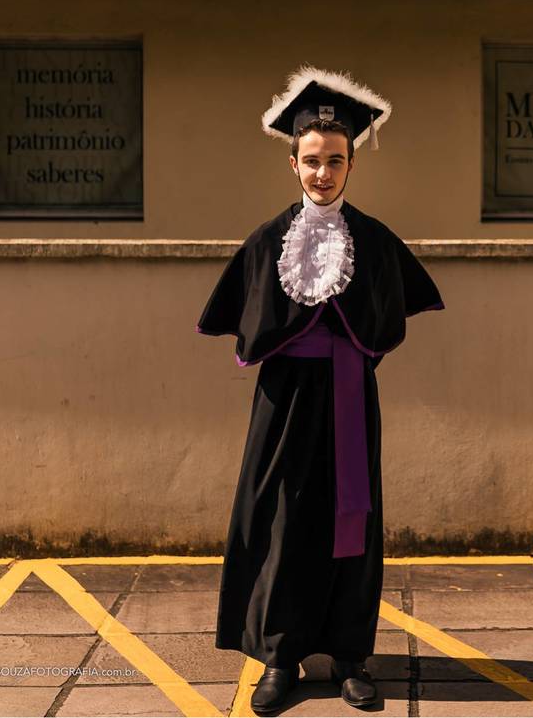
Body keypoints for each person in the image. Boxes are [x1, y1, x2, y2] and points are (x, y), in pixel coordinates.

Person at [195, 66, 443, 713]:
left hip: (349, 398)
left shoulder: (377, 243)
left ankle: (352, 655)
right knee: (281, 520)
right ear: (292, 162)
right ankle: (281, 656)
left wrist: (348, 355)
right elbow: (242, 322)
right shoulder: (266, 243)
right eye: (311, 160)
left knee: (352, 522)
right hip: (282, 401)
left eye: (335, 160)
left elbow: (387, 318)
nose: (323, 173)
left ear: (352, 163)